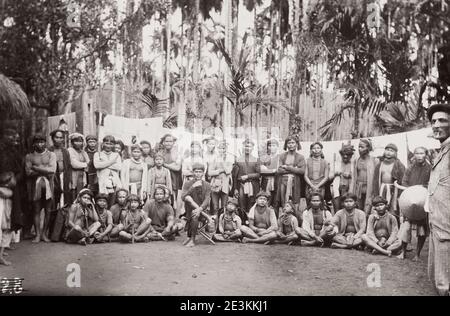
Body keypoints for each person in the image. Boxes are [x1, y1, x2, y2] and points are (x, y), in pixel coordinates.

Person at [426, 103, 450, 296]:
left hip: (447, 226)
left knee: (445, 284)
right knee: (438, 279)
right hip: (437, 223)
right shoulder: (442, 152)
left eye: (442, 120)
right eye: (433, 121)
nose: (436, 124)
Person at [394, 147, 432, 261]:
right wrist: (410, 190)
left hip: (423, 199)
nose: (419, 156)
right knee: (406, 227)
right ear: (414, 155)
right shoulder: (410, 168)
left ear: (425, 154)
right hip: (410, 199)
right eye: (417, 153)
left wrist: (422, 188)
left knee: (422, 229)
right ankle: (403, 252)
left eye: (422, 153)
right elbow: (404, 181)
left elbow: (431, 183)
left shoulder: (430, 168)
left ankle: (417, 254)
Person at [25, 135, 57, 243]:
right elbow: (28, 173)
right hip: (35, 187)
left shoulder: (51, 155)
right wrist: (44, 170)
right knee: (36, 210)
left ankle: (44, 234)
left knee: (48, 210)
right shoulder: (29, 156)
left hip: (49, 185)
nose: (40, 144)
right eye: (37, 142)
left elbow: (52, 170)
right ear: (34, 144)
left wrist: (36, 168)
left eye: (42, 142)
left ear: (45, 143)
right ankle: (37, 234)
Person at [181, 163, 212, 247]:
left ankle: (192, 239)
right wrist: (193, 187)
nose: (198, 174)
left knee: (195, 214)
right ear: (193, 172)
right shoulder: (187, 183)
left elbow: (207, 200)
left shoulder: (207, 185)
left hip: (202, 211)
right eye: (196, 171)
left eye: (200, 172)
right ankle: (189, 237)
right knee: (189, 199)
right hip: (189, 210)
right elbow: (183, 197)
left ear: (203, 173)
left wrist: (199, 209)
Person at [372, 143, 406, 220]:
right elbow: (375, 180)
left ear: (395, 153)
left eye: (391, 151)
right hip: (382, 189)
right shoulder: (379, 164)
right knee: (381, 207)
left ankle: (393, 226)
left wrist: (400, 194)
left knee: (393, 210)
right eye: (387, 150)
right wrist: (376, 193)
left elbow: (403, 180)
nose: (388, 152)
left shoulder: (399, 165)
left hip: (394, 190)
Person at [276, 136, 306, 213]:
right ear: (286, 145)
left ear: (296, 144)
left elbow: (302, 171)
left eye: (293, 143)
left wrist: (287, 167)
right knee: (283, 200)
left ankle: (295, 220)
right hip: (283, 181)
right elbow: (279, 170)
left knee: (295, 202)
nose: (291, 145)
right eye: (289, 143)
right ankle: (284, 219)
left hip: (295, 181)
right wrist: (294, 168)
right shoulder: (282, 156)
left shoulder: (300, 157)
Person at [232, 138, 261, 215]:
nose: (247, 148)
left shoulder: (256, 159)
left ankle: (251, 222)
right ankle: (242, 221)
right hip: (241, 185)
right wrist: (235, 188)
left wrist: (248, 176)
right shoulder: (238, 160)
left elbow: (258, 174)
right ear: (243, 147)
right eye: (246, 146)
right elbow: (235, 176)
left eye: (249, 146)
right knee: (241, 204)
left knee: (252, 203)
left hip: (253, 185)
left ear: (253, 148)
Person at [350, 139, 379, 215]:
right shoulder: (356, 160)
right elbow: (354, 176)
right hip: (358, 188)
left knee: (368, 209)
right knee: (358, 209)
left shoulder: (374, 160)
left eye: (362, 147)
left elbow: (377, 178)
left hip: (369, 189)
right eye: (359, 147)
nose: (359, 149)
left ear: (368, 148)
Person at [207, 140, 234, 218]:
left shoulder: (230, 159)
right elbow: (210, 172)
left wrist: (222, 161)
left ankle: (222, 222)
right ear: (217, 149)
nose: (222, 150)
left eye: (224, 148)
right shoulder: (214, 159)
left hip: (225, 184)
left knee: (224, 206)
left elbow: (228, 171)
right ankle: (215, 223)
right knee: (215, 206)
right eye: (220, 148)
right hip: (215, 183)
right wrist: (220, 171)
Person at [94, 135, 122, 204]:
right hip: (102, 182)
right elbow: (97, 165)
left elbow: (118, 167)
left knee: (113, 202)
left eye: (111, 144)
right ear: (103, 144)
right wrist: (112, 162)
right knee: (103, 201)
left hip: (114, 182)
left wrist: (103, 164)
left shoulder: (116, 155)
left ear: (113, 145)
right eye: (106, 143)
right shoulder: (98, 154)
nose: (108, 146)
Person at [159, 134, 182, 213]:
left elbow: (177, 168)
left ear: (173, 143)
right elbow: (158, 164)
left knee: (173, 197)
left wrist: (164, 164)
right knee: (162, 194)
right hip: (162, 177)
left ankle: (173, 216)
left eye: (170, 141)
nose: (168, 143)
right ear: (163, 143)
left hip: (173, 177)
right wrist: (171, 165)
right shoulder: (160, 153)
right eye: (166, 141)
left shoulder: (177, 153)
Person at [330, 142, 355, 214]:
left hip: (348, 189)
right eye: (343, 155)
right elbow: (329, 177)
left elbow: (355, 177)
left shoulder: (353, 164)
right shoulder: (336, 164)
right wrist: (335, 174)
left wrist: (350, 175)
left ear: (351, 155)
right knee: (337, 210)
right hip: (337, 189)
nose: (345, 156)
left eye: (347, 155)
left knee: (348, 209)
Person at [49, 129, 71, 208]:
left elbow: (68, 166)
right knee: (53, 197)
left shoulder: (65, 151)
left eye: (61, 138)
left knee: (64, 197)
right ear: (52, 138)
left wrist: (69, 180)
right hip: (52, 177)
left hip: (63, 176)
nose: (59, 140)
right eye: (57, 137)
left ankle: (62, 216)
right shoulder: (48, 150)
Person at [67, 133, 90, 202]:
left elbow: (89, 163)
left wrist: (86, 165)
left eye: (80, 141)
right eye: (76, 141)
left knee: (82, 192)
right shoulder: (70, 150)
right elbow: (74, 164)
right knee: (73, 192)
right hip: (73, 174)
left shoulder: (83, 152)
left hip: (82, 175)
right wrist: (85, 164)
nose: (78, 143)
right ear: (72, 142)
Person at [260, 139, 280, 209]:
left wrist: (268, 170)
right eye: (270, 146)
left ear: (277, 147)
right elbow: (261, 171)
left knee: (276, 203)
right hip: (265, 182)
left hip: (277, 182)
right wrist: (273, 170)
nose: (271, 147)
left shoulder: (280, 158)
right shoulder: (264, 157)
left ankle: (275, 219)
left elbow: (279, 170)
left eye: (274, 145)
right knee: (265, 201)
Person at [0, 171, 15, 265]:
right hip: (3, 216)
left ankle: (0, 255)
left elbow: (7, 193)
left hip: (5, 216)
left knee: (5, 234)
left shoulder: (8, 192)